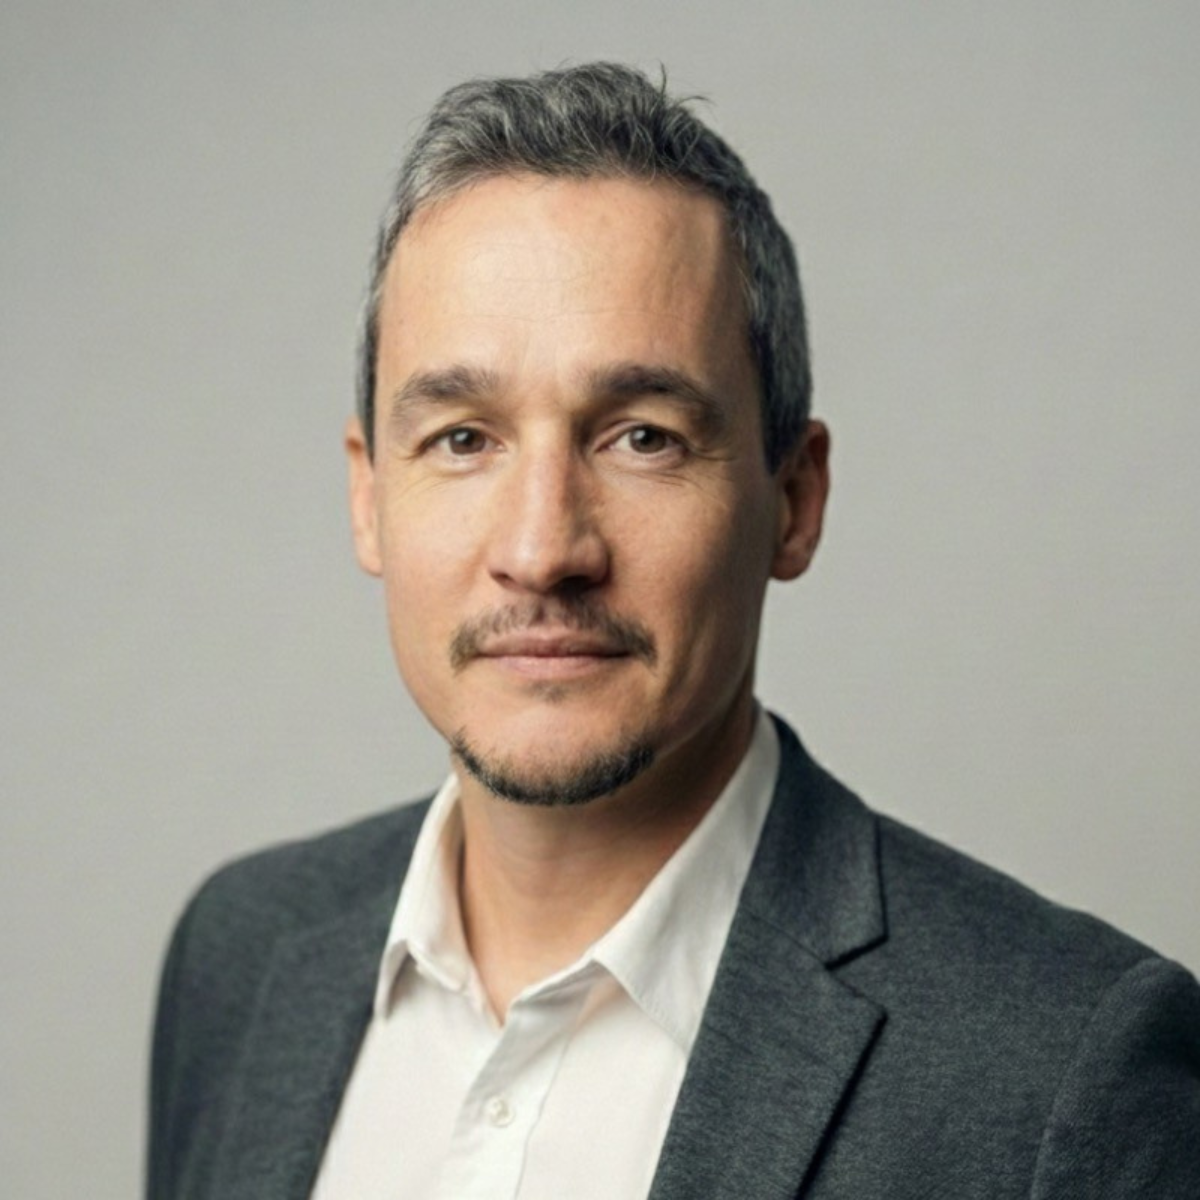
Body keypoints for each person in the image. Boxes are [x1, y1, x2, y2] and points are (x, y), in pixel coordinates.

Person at [147, 63, 1200, 1199]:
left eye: (642, 437)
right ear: (368, 497)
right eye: (463, 439)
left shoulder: (1063, 1075)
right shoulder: (240, 958)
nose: (543, 548)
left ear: (793, 500)